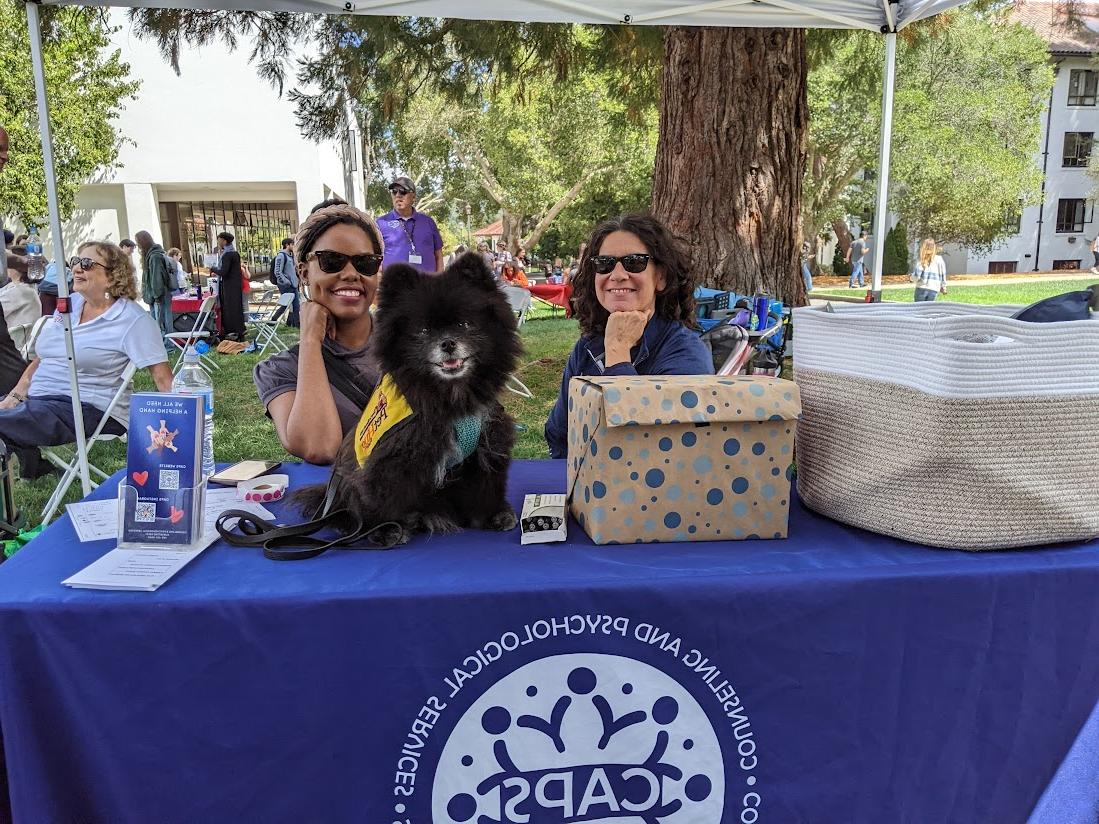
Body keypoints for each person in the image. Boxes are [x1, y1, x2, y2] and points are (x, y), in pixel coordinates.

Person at [544, 213, 714, 459]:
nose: (617, 274)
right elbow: (559, 434)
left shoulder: (686, 354)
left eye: (634, 262)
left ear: (661, 277)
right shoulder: (588, 347)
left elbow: (643, 453)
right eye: (605, 263)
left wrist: (618, 350)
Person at [0, 241, 172, 479]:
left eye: (87, 264)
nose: (77, 268)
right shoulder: (68, 306)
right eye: (76, 261)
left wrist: (177, 430)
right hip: (39, 400)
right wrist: (15, 395)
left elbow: (163, 380)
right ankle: (25, 471)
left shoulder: (132, 319)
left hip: (87, 406)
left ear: (112, 277)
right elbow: (43, 357)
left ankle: (10, 502)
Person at [254, 199, 384, 464]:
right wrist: (311, 341)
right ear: (304, 272)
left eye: (365, 263)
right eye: (332, 261)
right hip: (343, 503)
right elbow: (320, 448)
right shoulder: (281, 370)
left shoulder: (412, 342)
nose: (350, 273)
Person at [377, 176, 443, 273]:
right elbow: (376, 258)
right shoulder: (381, 223)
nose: (398, 195)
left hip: (426, 285)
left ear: (413, 197)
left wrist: (440, 283)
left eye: (403, 191)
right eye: (394, 191)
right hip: (394, 286)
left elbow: (439, 256)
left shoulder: (428, 222)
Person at [209, 231, 246, 340]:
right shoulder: (234, 253)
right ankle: (239, 331)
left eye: (219, 240)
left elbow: (224, 271)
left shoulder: (228, 255)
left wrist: (213, 268)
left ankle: (232, 332)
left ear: (224, 241)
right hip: (235, 285)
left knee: (230, 309)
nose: (218, 242)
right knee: (236, 308)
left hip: (229, 286)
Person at [136, 231, 175, 336]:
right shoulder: (152, 255)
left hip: (159, 294)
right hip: (155, 294)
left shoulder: (155, 256)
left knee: (162, 320)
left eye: (138, 242)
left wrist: (157, 296)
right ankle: (163, 342)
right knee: (158, 320)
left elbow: (157, 278)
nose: (138, 246)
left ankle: (167, 343)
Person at [0, 256, 41, 334]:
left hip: (13, 342)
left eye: (9, 265)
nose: (5, 267)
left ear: (19, 269)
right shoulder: (19, 287)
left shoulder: (22, 291)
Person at [272, 237, 299, 328]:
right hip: (286, 285)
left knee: (295, 305)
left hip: (293, 284)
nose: (294, 246)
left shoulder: (290, 256)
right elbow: (277, 271)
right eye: (292, 244)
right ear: (287, 245)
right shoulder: (281, 256)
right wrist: (286, 281)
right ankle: (273, 320)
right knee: (286, 305)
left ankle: (293, 324)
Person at [911, 238, 948, 302]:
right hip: (934, 289)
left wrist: (911, 278)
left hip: (921, 288)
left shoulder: (922, 260)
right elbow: (942, 275)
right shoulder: (939, 259)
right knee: (929, 310)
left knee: (919, 309)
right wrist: (943, 287)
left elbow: (917, 276)